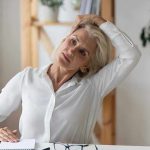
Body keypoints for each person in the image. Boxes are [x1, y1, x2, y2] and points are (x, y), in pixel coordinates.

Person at [0, 15, 141, 144]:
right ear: (64, 39)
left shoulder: (93, 87)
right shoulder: (27, 78)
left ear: (86, 65)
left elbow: (131, 55)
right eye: (73, 41)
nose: (72, 51)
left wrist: (96, 19)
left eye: (82, 52)